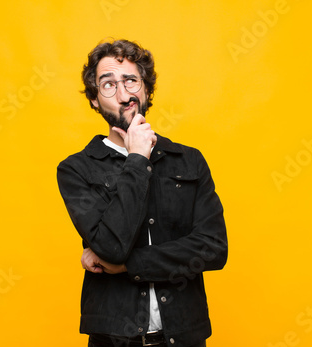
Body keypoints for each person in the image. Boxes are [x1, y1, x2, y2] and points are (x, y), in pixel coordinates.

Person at [57, 39, 228, 347]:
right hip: (113, 339)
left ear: (146, 89)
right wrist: (137, 158)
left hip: (184, 336)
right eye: (108, 85)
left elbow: (213, 249)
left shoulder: (189, 161)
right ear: (94, 99)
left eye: (131, 81)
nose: (124, 96)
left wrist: (127, 266)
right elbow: (111, 247)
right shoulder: (76, 169)